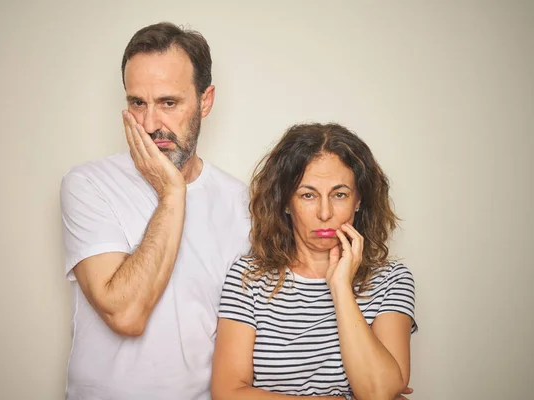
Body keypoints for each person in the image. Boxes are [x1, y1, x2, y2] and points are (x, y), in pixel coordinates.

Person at [60, 22, 250, 400]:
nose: (149, 125)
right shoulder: (87, 185)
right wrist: (172, 194)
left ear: (205, 101)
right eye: (137, 103)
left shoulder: (243, 204)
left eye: (169, 103)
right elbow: (126, 315)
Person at [212, 123, 418, 400]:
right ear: (285, 202)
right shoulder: (249, 277)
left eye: (339, 194)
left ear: (359, 200)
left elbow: (379, 392)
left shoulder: (392, 279)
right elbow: (228, 393)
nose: (324, 213)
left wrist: (341, 288)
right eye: (308, 195)